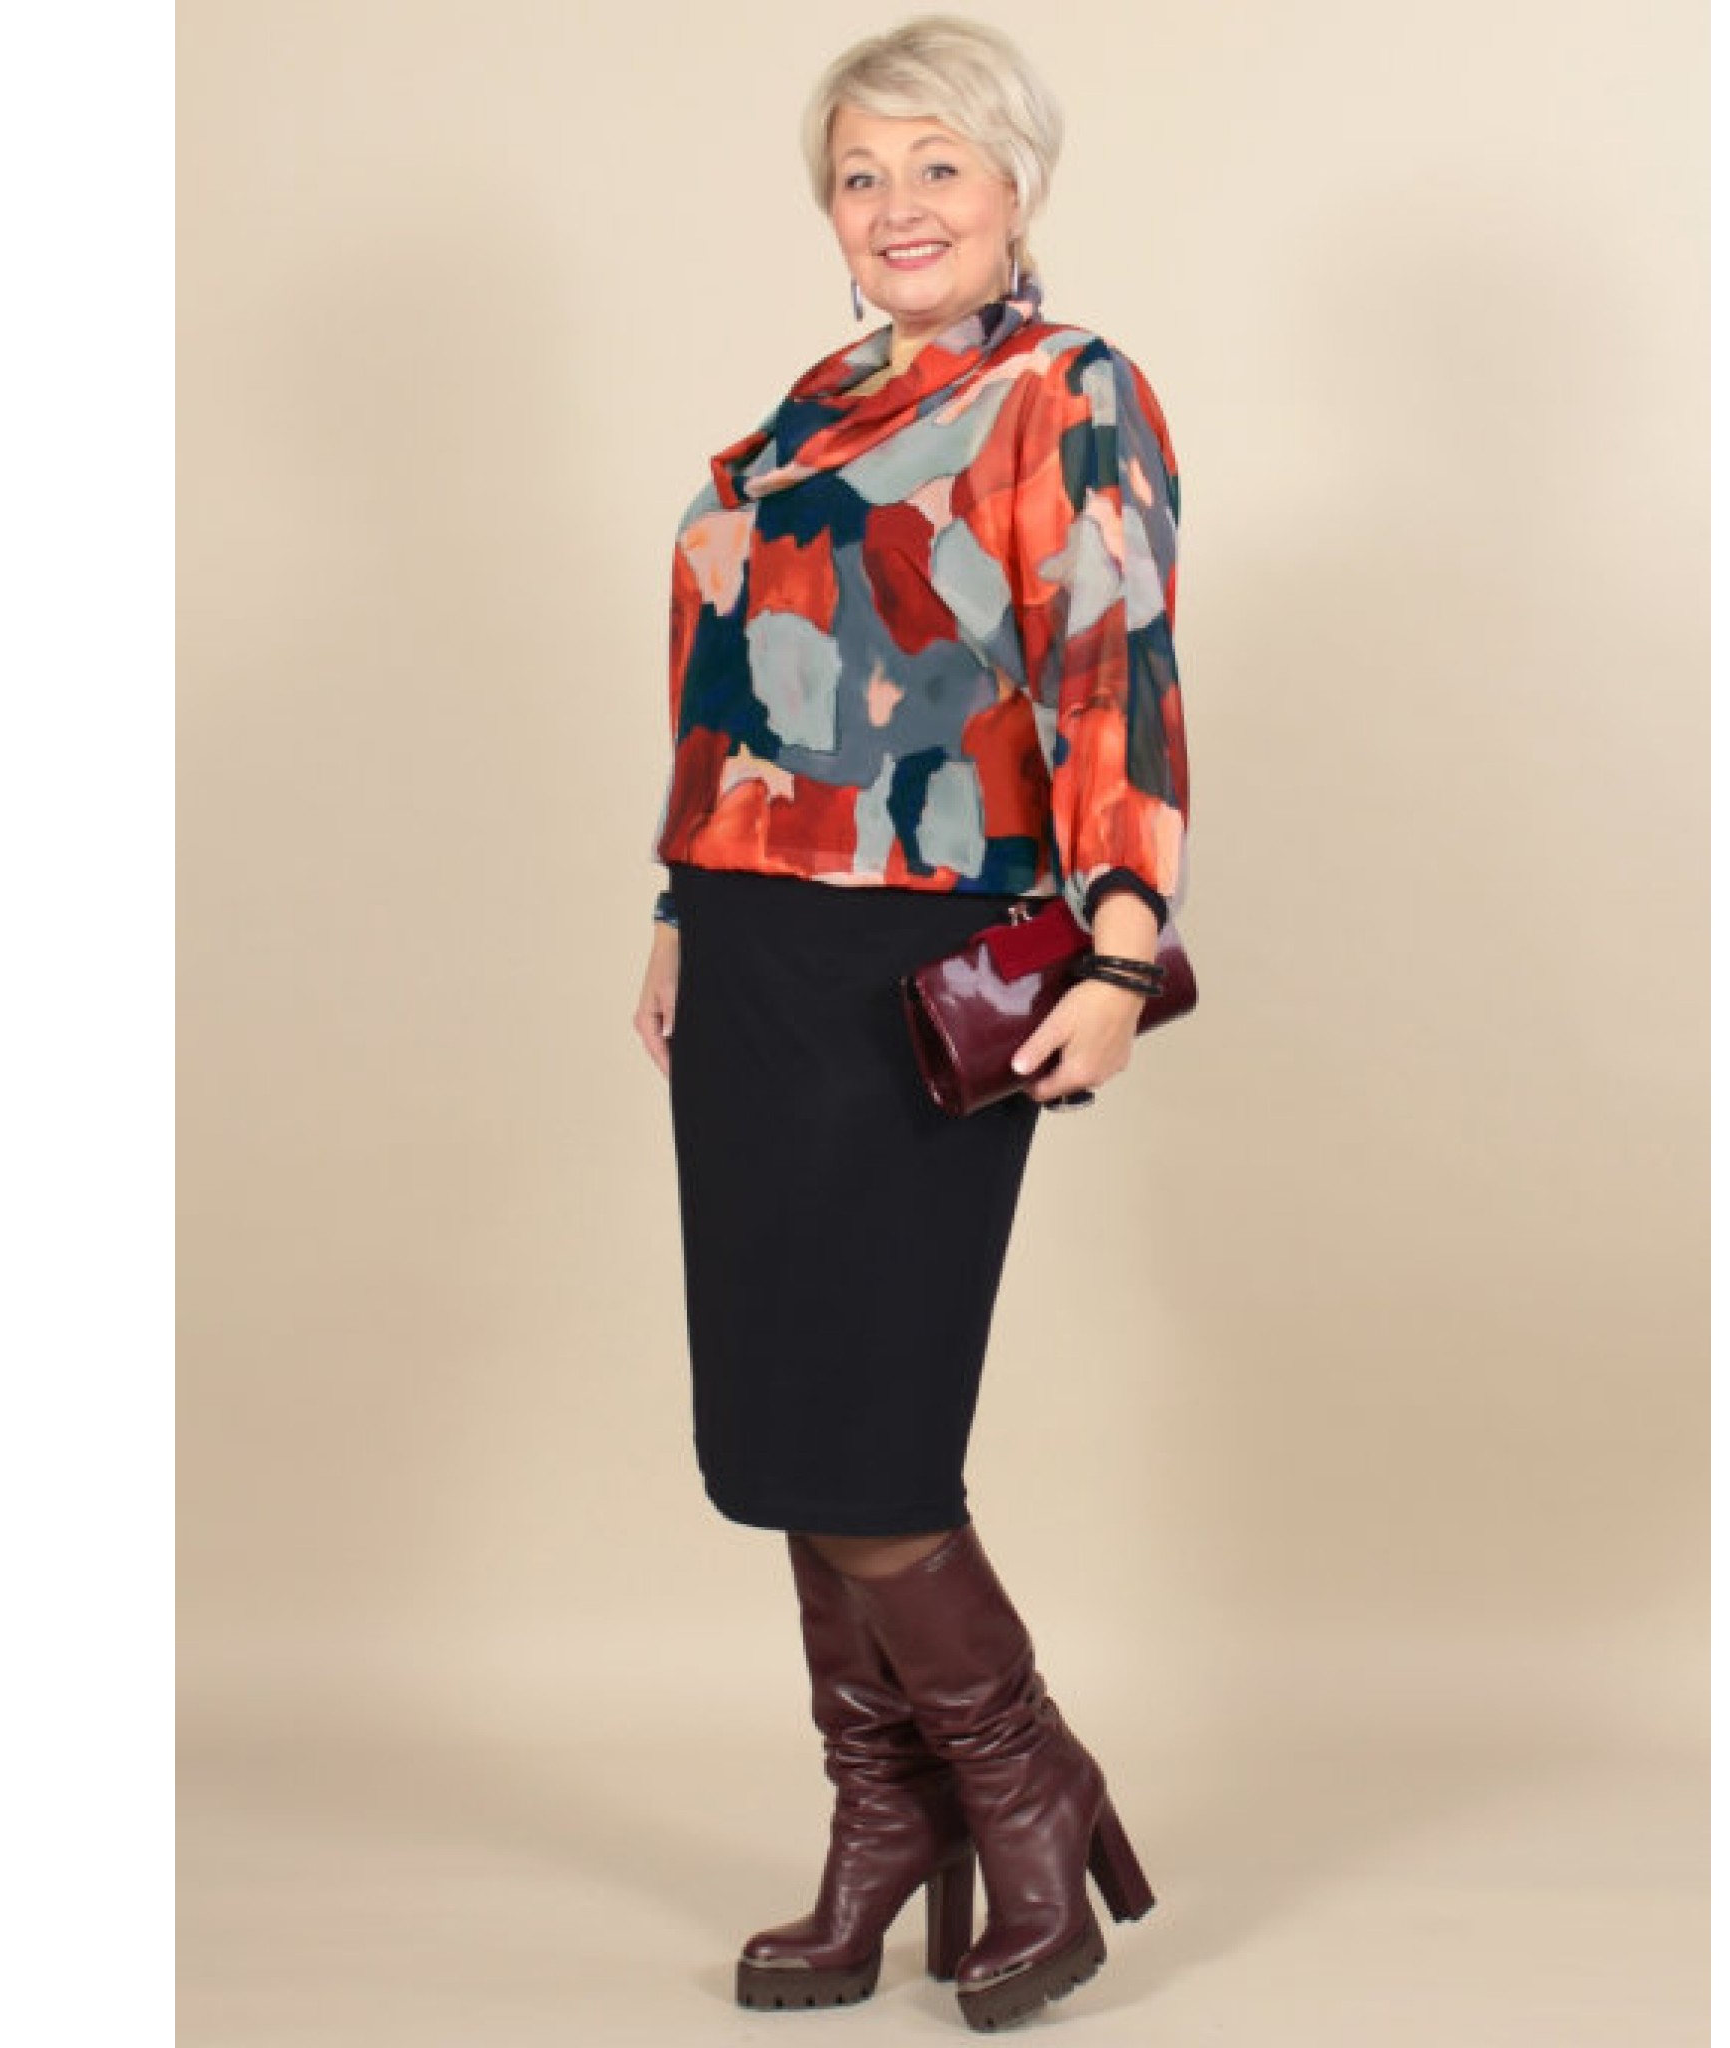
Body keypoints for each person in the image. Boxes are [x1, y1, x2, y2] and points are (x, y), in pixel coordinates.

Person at [629, 14, 1191, 2030]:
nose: (895, 207)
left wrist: (1119, 946)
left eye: (935, 166)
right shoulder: (815, 402)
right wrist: (678, 908)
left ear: (1016, 185)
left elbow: (1112, 664)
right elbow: (731, 683)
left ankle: (1025, 1785)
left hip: (926, 950)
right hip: (750, 943)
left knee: (868, 1419)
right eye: (860, 176)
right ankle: (882, 1827)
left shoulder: (1067, 388)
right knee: (784, 1415)